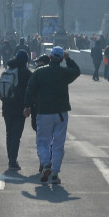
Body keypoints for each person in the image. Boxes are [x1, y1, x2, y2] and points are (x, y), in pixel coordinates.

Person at [22, 46, 81, 183]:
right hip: (61, 112)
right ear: (61, 59)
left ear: (49, 57)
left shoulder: (40, 72)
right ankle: (55, 173)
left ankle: (46, 164)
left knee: (43, 141)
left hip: (44, 112)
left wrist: (27, 106)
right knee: (58, 143)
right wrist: (69, 59)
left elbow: (30, 89)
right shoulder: (64, 73)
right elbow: (77, 71)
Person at [0, 49, 33, 171]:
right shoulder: (27, 73)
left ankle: (10, 159)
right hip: (19, 108)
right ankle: (13, 160)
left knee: (9, 134)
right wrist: (29, 106)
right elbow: (31, 91)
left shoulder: (8, 70)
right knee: (16, 135)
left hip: (7, 107)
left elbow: (0, 89)